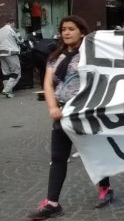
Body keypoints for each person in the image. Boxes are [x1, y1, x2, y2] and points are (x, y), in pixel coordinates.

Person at [27, 15, 114, 220]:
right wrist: (52, 107)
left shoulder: (91, 55)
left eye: (71, 29)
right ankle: (52, 203)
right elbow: (48, 84)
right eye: (64, 29)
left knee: (94, 152)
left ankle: (105, 188)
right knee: (58, 157)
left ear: (82, 32)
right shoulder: (55, 57)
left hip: (87, 112)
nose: (66, 32)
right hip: (63, 113)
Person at [0, 19, 22, 98]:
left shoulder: (1, 30)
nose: (14, 25)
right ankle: (6, 90)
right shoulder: (13, 30)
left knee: (6, 73)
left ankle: (9, 93)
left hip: (1, 53)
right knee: (16, 72)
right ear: (12, 23)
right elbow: (20, 40)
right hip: (11, 52)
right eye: (14, 24)